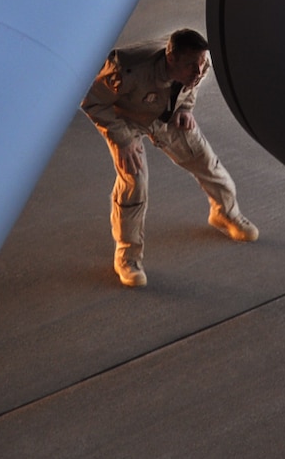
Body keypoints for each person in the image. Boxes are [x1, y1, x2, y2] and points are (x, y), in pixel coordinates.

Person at [81, 28, 257, 287]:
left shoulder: (196, 63)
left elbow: (193, 81)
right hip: (127, 120)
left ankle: (226, 213)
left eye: (201, 64)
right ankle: (127, 257)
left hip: (167, 115)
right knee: (134, 182)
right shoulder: (127, 71)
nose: (198, 72)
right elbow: (92, 101)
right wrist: (123, 139)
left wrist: (185, 107)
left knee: (204, 160)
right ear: (171, 58)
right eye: (190, 66)